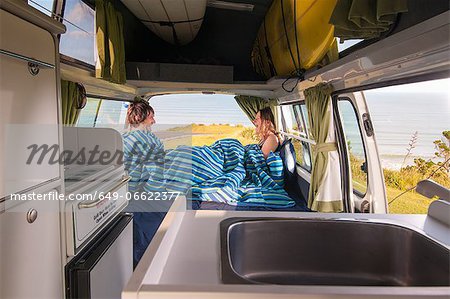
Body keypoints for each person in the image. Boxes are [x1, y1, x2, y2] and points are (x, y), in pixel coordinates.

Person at [122, 100, 168, 268]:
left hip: (122, 194)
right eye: (151, 117)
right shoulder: (153, 142)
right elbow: (156, 178)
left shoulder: (120, 139)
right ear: (139, 117)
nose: (154, 121)